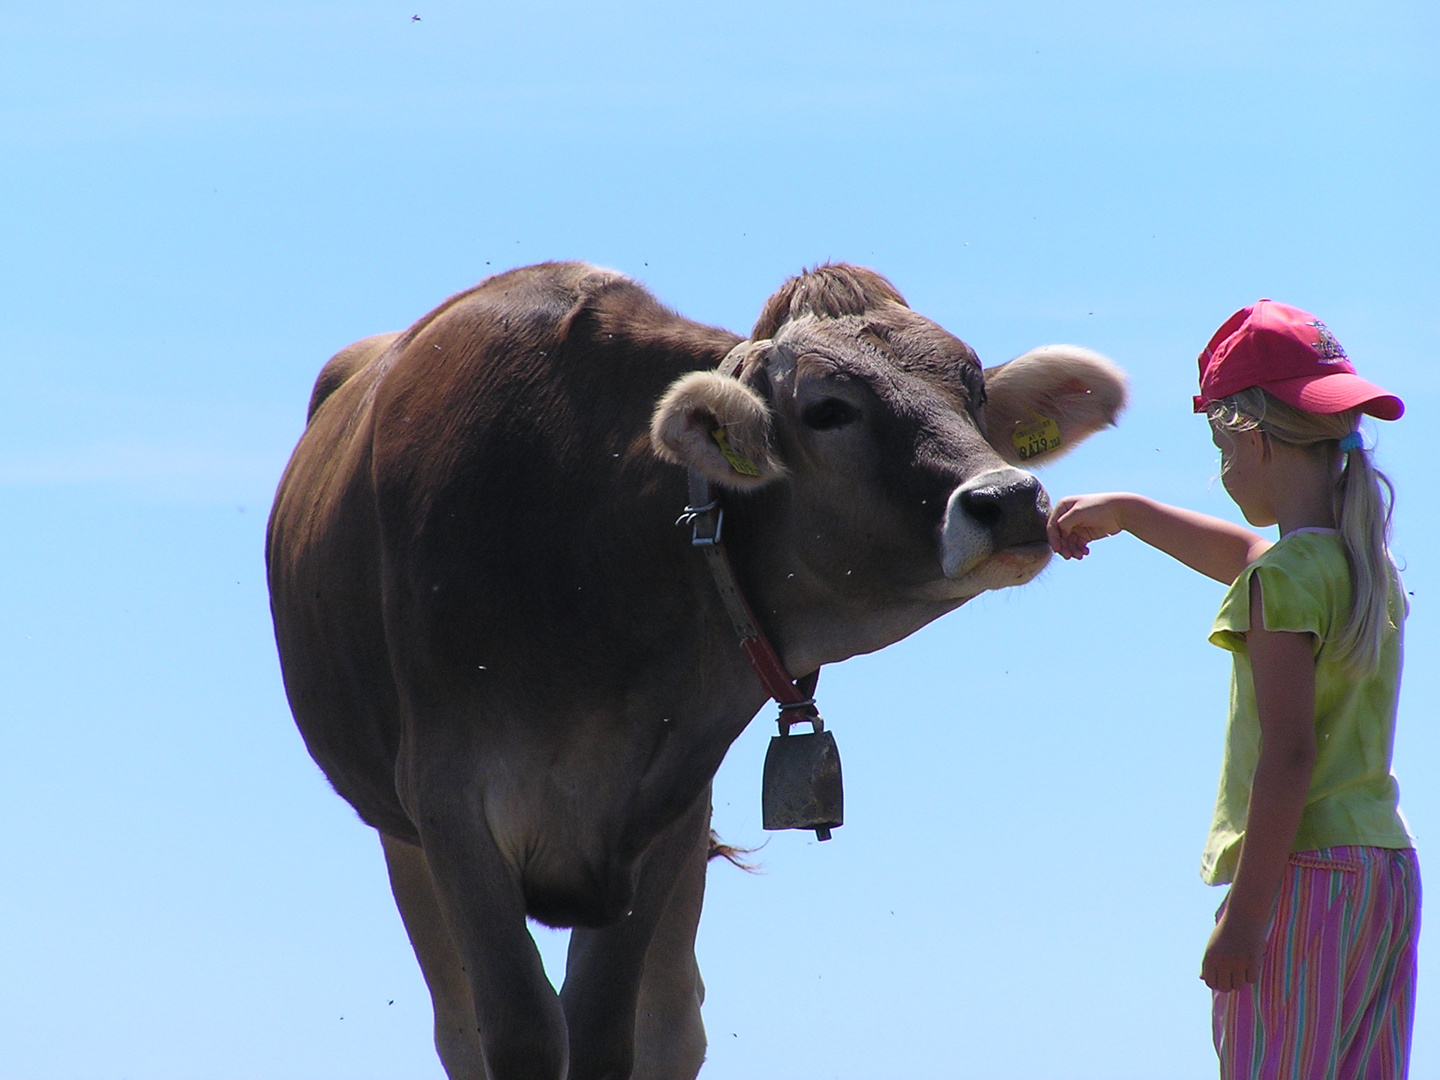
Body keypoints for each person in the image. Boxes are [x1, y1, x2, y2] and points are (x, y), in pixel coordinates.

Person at [1047, 300, 1420, 1079]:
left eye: (1222, 446)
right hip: (1383, 872)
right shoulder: (1361, 569)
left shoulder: (1281, 583)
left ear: (1252, 436)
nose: (1222, 471)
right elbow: (1253, 553)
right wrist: (1131, 513)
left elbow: (1288, 753)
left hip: (1300, 876)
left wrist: (1246, 918)